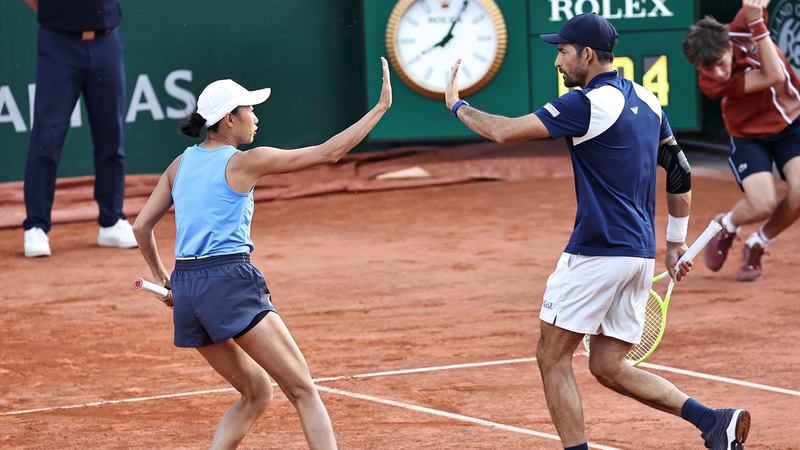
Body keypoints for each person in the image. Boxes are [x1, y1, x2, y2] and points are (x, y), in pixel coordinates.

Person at [445, 12, 750, 450]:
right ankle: (713, 420)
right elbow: (679, 170)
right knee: (608, 366)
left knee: (551, 355)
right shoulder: (647, 101)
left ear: (587, 54)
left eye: (563, 52)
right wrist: (674, 241)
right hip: (638, 256)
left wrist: (457, 104)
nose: (557, 63)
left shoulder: (585, 103)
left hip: (598, 252)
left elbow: (504, 132)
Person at [132, 58, 391, 449]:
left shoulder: (179, 164)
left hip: (187, 289)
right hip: (228, 282)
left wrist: (165, 277)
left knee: (257, 392)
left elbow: (140, 226)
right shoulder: (247, 161)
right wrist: (380, 109)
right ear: (228, 120)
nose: (256, 116)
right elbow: (330, 153)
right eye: (249, 109)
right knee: (303, 390)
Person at [682, 0, 800, 281]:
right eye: (707, 69)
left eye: (721, 64)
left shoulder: (738, 28)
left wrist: (756, 5)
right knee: (762, 204)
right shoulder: (711, 82)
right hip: (749, 134)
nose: (717, 73)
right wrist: (759, 24)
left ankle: (758, 243)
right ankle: (728, 225)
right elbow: (773, 75)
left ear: (729, 46)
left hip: (793, 123)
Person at [21, 0, 136, 258]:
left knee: (112, 137)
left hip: (107, 41)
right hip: (58, 43)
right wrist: (56, 12)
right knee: (46, 138)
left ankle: (111, 221)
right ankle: (36, 226)